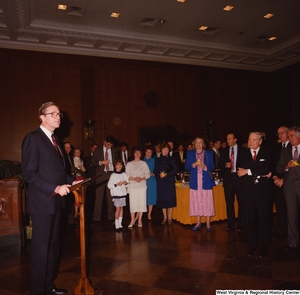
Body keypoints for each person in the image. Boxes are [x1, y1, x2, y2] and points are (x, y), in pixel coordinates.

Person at [21, 101, 80, 295]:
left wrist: (75, 181)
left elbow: (58, 172)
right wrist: (54, 187)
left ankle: (47, 286)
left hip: (56, 202)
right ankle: (38, 291)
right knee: (41, 251)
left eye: (59, 113)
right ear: (42, 117)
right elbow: (29, 174)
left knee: (53, 248)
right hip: (42, 203)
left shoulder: (55, 140)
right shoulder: (33, 138)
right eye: (52, 113)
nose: (58, 116)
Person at [237, 132, 273, 258]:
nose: (251, 142)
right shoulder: (243, 154)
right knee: (250, 221)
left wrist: (248, 171)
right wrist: (258, 173)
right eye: (249, 139)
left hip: (263, 193)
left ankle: (264, 247)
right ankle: (252, 246)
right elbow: (239, 171)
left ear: (260, 141)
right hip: (248, 192)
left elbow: (266, 170)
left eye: (254, 140)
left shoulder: (267, 152)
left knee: (264, 220)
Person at [276, 126, 300, 250]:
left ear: (298, 136)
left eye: (292, 136)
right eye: (289, 136)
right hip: (289, 187)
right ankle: (293, 243)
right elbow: (279, 168)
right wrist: (286, 166)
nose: (289, 138)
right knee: (291, 216)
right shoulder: (285, 151)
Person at [185, 137, 215, 231]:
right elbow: (186, 166)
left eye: (200, 142)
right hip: (195, 181)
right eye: (196, 142)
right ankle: (198, 223)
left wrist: (205, 166)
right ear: (194, 144)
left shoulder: (209, 153)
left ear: (203, 144)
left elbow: (213, 166)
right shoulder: (190, 153)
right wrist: (193, 165)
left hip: (205, 181)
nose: (198, 144)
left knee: (207, 202)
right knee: (196, 202)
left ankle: (208, 223)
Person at [219, 133, 246, 231]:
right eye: (227, 139)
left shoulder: (243, 150)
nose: (228, 141)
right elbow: (219, 164)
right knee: (229, 202)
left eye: (230, 139)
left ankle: (241, 224)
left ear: (235, 139)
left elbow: (247, 163)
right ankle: (230, 223)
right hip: (228, 179)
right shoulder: (224, 151)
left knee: (241, 202)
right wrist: (225, 165)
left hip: (239, 178)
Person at [92, 135, 118, 225]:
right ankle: (96, 218)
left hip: (111, 175)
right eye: (108, 144)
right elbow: (93, 162)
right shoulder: (97, 150)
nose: (109, 146)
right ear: (104, 141)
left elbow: (117, 162)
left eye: (111, 145)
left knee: (110, 198)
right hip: (100, 176)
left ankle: (111, 217)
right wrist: (101, 162)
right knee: (98, 198)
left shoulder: (115, 151)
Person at [154, 143, 179, 225]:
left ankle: (170, 217)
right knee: (162, 199)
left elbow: (175, 169)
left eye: (167, 150)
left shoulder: (172, 159)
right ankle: (164, 217)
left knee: (170, 199)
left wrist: (167, 174)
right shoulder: (158, 159)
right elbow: (155, 170)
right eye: (164, 149)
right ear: (161, 150)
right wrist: (159, 175)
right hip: (161, 181)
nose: (165, 151)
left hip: (169, 180)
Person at [125, 147, 150, 227]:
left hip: (142, 185)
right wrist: (134, 178)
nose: (137, 154)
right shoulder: (129, 164)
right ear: (133, 154)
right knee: (133, 203)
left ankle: (139, 220)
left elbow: (147, 174)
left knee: (141, 203)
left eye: (139, 153)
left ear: (141, 154)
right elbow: (127, 174)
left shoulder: (144, 163)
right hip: (133, 186)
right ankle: (132, 220)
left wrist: (141, 179)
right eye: (136, 152)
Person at [272, 126, 289, 238]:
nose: (281, 135)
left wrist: (284, 179)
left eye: (282, 133)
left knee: (291, 207)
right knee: (280, 206)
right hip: (276, 181)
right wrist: (275, 178)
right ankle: (281, 230)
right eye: (278, 134)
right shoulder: (276, 147)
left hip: (289, 181)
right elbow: (272, 164)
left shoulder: (293, 146)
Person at [107, 160, 129, 231]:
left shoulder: (124, 174)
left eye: (120, 165)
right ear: (115, 166)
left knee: (121, 208)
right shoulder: (113, 175)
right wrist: (116, 184)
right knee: (118, 209)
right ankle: (117, 225)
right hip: (116, 194)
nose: (119, 166)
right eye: (118, 164)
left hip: (122, 193)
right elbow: (109, 185)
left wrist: (125, 183)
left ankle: (120, 224)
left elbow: (128, 183)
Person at [143, 146, 157, 221]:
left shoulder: (154, 161)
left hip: (151, 180)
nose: (148, 154)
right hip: (143, 180)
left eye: (150, 152)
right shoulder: (142, 161)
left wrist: (153, 173)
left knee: (151, 197)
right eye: (147, 152)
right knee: (143, 196)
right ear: (145, 152)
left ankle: (149, 213)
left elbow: (157, 170)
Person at [72, 148, 86, 219]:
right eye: (76, 152)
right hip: (76, 178)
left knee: (82, 196)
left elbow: (83, 171)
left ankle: (80, 211)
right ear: (74, 153)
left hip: (81, 178)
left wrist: (83, 169)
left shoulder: (81, 160)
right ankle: (75, 213)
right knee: (77, 196)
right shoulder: (73, 160)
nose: (78, 153)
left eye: (79, 152)